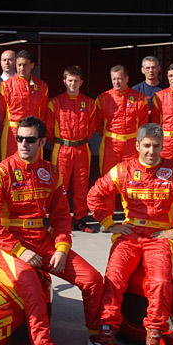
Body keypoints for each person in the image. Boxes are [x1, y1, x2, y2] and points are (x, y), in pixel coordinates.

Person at [0, 115, 108, 345]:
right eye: (19, 139)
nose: (23, 144)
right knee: (35, 294)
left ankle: (95, 334)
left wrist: (62, 247)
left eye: (29, 139)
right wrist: (19, 251)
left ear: (41, 141)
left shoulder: (51, 171)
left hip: (44, 239)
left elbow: (62, 215)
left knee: (93, 279)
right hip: (10, 244)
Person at [87, 123, 173, 345]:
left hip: (159, 236)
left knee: (161, 282)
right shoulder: (123, 170)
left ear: (163, 146)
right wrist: (110, 224)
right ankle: (107, 338)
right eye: (147, 145)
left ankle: (153, 340)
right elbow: (94, 195)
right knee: (114, 279)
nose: (152, 151)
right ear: (137, 145)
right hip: (130, 233)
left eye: (157, 146)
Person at [47, 65, 97, 232]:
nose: (73, 84)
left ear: (81, 82)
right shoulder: (55, 103)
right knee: (60, 185)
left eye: (76, 81)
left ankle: (81, 219)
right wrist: (61, 143)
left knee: (82, 186)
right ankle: (59, 219)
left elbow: (92, 128)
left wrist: (80, 141)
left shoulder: (90, 103)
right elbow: (48, 128)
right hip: (62, 149)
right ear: (64, 81)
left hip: (82, 148)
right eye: (70, 81)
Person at [95, 65, 149, 175]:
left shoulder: (139, 98)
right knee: (107, 177)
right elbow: (97, 122)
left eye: (119, 78)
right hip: (110, 145)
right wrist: (105, 135)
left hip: (132, 144)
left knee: (133, 176)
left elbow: (143, 122)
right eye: (114, 79)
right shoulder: (103, 98)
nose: (116, 82)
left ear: (126, 79)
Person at [0, 50, 49, 159]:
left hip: (33, 134)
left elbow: (43, 113)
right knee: (10, 165)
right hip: (12, 134)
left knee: (34, 163)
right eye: (19, 65)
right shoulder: (5, 86)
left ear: (32, 65)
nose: (22, 68)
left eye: (25, 65)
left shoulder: (42, 86)